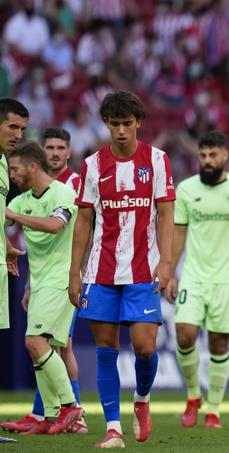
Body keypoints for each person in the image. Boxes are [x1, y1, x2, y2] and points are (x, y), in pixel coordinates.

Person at [68, 90, 175, 449]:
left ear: (139, 123)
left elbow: (167, 214)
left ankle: (142, 400)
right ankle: (113, 428)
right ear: (107, 125)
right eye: (114, 124)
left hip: (144, 270)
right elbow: (83, 220)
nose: (121, 131)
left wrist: (167, 263)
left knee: (145, 347)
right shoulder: (93, 166)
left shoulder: (157, 160)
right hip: (101, 271)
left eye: (127, 124)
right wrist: (75, 272)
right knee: (105, 347)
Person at [164, 130, 229, 429]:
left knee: (219, 344)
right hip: (192, 277)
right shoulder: (187, 190)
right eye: (202, 156)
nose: (206, 160)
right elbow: (177, 234)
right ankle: (193, 397)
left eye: (212, 155)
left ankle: (214, 409)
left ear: (224, 155)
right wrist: (170, 273)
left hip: (228, 280)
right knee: (185, 335)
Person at [0, 128, 87, 434]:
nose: (11, 175)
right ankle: (48, 415)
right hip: (38, 283)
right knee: (39, 346)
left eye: (15, 169)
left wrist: (14, 216)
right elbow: (4, 219)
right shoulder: (23, 199)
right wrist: (8, 244)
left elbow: (54, 225)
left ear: (32, 167)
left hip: (62, 280)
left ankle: (70, 406)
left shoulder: (64, 193)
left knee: (36, 342)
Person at [0, 98, 29, 333]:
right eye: (13, 127)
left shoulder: (3, 161)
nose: (19, 135)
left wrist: (6, 242)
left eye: (22, 129)